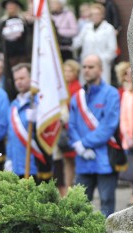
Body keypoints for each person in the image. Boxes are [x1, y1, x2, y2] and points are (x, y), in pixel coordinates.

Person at [68, 55, 120, 217]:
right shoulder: (77, 97)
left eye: (91, 67)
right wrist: (78, 146)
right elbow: (71, 124)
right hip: (83, 160)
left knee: (106, 202)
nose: (86, 70)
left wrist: (84, 143)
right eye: (84, 67)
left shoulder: (111, 93)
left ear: (101, 69)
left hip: (105, 159)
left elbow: (109, 125)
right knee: (80, 203)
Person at [5, 63, 44, 180]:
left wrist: (38, 118)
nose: (18, 82)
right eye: (16, 79)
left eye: (22, 78)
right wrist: (9, 159)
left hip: (36, 164)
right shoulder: (13, 105)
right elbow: (11, 137)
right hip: (17, 165)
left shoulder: (40, 101)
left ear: (31, 78)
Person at [115, 61, 133, 203]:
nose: (130, 76)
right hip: (130, 138)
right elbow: (124, 118)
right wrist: (128, 137)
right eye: (127, 74)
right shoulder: (126, 94)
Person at [73, 2, 117, 86]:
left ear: (102, 15)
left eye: (97, 14)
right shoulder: (86, 27)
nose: (95, 16)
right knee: (86, 88)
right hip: (86, 64)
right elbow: (77, 42)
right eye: (92, 14)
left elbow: (112, 50)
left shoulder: (108, 28)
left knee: (101, 88)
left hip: (101, 65)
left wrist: (101, 60)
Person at [0, 0, 33, 99]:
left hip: (24, 56)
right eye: (8, 5)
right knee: (11, 80)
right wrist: (1, 53)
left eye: (12, 5)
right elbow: (0, 40)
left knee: (24, 75)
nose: (10, 7)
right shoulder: (3, 22)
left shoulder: (24, 21)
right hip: (9, 57)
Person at [57, 59, 82, 197]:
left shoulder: (77, 88)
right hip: (63, 128)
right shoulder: (62, 88)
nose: (66, 73)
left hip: (73, 128)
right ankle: (67, 188)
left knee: (75, 160)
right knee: (66, 161)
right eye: (65, 71)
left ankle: (75, 188)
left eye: (69, 71)